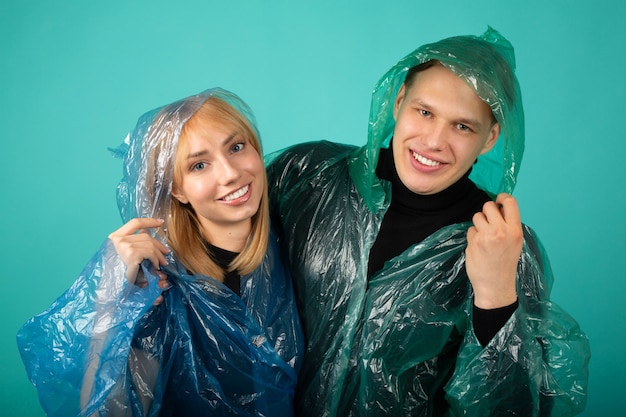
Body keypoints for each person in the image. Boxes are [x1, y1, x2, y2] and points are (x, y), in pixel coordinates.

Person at [266, 27, 590, 416]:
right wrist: (169, 252)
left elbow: (519, 406)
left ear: (489, 139)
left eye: (462, 126)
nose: (434, 141)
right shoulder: (310, 176)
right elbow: (221, 247)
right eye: (425, 112)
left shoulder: (501, 243)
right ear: (399, 101)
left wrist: (496, 295)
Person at [17, 88, 304, 417]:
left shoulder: (299, 238)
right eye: (199, 165)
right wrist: (111, 309)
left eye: (236, 147)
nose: (230, 173)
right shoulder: (160, 292)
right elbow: (107, 413)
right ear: (176, 188)